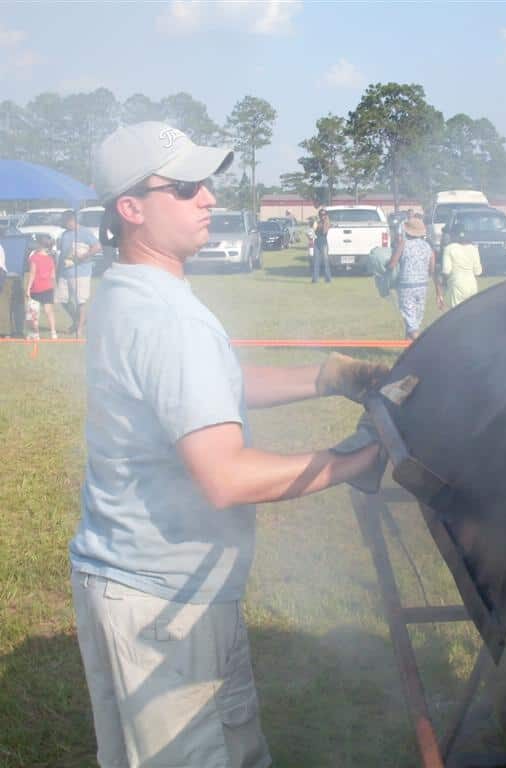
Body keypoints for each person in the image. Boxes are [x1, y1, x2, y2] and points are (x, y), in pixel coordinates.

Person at [69, 121, 389, 768]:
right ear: (131, 208)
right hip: (166, 601)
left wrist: (328, 377)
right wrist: (358, 461)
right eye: (186, 187)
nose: (210, 198)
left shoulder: (126, 292)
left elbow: (199, 392)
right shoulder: (170, 318)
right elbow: (226, 477)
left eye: (207, 184)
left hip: (133, 578)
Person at [386, 216, 438, 340]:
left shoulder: (403, 244)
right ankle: (408, 352)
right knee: (414, 321)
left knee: (411, 325)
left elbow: (392, 264)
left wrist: (386, 268)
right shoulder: (427, 246)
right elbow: (432, 269)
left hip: (406, 286)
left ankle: (423, 347)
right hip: (423, 286)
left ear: (407, 231)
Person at [57, 209, 100, 336]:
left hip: (81, 272)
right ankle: (78, 320)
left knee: (80, 301)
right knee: (62, 300)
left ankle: (79, 329)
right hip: (65, 272)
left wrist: (83, 256)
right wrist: (58, 271)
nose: (63, 224)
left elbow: (97, 247)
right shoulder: (64, 234)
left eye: (64, 222)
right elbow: (62, 254)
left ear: (71, 220)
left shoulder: (85, 232)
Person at [440, 226, 482, 309]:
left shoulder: (449, 248)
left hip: (457, 285)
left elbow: (446, 270)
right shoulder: (474, 248)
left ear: (453, 235)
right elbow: (478, 272)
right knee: (471, 313)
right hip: (472, 285)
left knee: (456, 314)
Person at [25, 234, 58, 339]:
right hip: (48, 287)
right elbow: (53, 276)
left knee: (33, 312)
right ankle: (53, 332)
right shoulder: (50, 259)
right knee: (49, 311)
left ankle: (35, 333)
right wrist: (53, 287)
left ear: (39, 244)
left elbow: (32, 273)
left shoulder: (34, 257)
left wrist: (28, 288)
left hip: (36, 288)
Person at [312, 207, 331, 283]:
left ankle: (328, 278)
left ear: (326, 215)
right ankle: (315, 279)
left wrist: (324, 221)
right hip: (317, 243)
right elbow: (313, 231)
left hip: (324, 243)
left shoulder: (327, 222)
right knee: (316, 261)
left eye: (324, 215)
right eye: (321, 215)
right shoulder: (317, 222)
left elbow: (324, 231)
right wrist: (314, 224)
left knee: (326, 261)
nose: (322, 216)